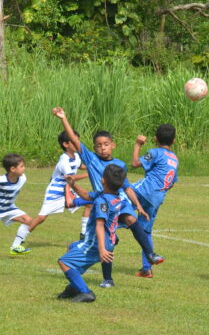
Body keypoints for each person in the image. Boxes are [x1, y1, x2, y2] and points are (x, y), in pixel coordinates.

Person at [52, 107, 164, 288]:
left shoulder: (119, 164)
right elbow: (73, 138)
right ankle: (107, 278)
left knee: (130, 218)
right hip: (102, 202)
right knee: (107, 240)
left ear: (112, 145)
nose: (102, 148)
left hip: (119, 201)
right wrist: (63, 118)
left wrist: (139, 206)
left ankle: (150, 254)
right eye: (98, 145)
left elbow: (127, 188)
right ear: (94, 147)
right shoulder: (91, 159)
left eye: (105, 144)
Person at [57, 164, 126, 302]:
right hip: (107, 241)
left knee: (64, 262)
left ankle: (85, 292)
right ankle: (73, 287)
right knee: (72, 247)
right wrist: (73, 185)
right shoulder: (114, 196)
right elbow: (87, 195)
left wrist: (101, 250)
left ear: (103, 180)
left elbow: (99, 225)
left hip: (96, 243)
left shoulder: (102, 201)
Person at [9, 130, 89, 249]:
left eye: (78, 140)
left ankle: (84, 237)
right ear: (65, 144)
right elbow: (69, 178)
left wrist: (94, 167)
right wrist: (89, 174)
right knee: (41, 218)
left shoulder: (76, 156)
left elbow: (79, 166)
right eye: (74, 141)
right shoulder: (64, 159)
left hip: (68, 190)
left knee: (90, 202)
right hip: (55, 191)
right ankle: (17, 243)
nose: (77, 143)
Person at [129, 124, 179, 278]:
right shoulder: (175, 159)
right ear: (174, 141)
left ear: (155, 139)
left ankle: (99, 236)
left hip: (144, 191)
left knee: (118, 196)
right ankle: (146, 269)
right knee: (145, 231)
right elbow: (172, 183)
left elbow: (135, 163)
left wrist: (138, 144)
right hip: (157, 198)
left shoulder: (155, 152)